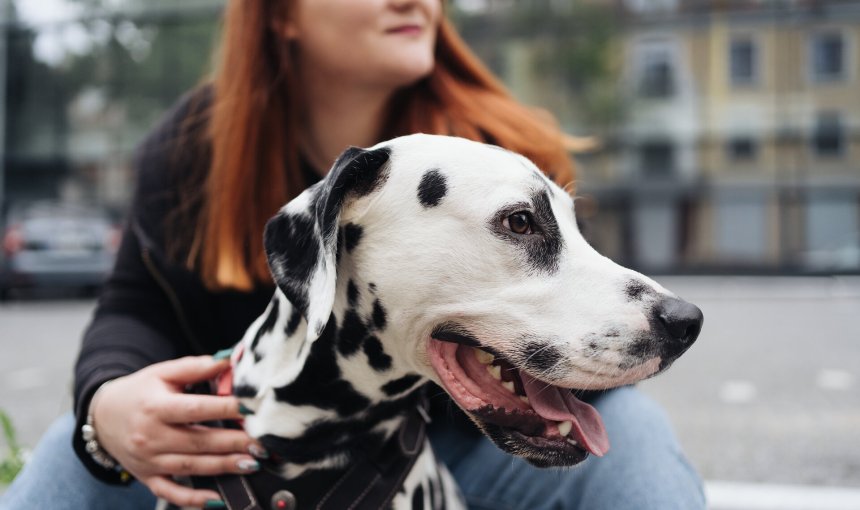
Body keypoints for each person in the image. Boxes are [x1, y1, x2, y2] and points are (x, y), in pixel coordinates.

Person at [0, 0, 706, 509]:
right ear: (279, 15)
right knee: (83, 438)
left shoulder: (499, 146)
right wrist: (108, 407)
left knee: (632, 433)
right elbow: (135, 307)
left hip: (451, 445)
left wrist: (528, 385)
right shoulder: (194, 150)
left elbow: (565, 307)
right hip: (232, 440)